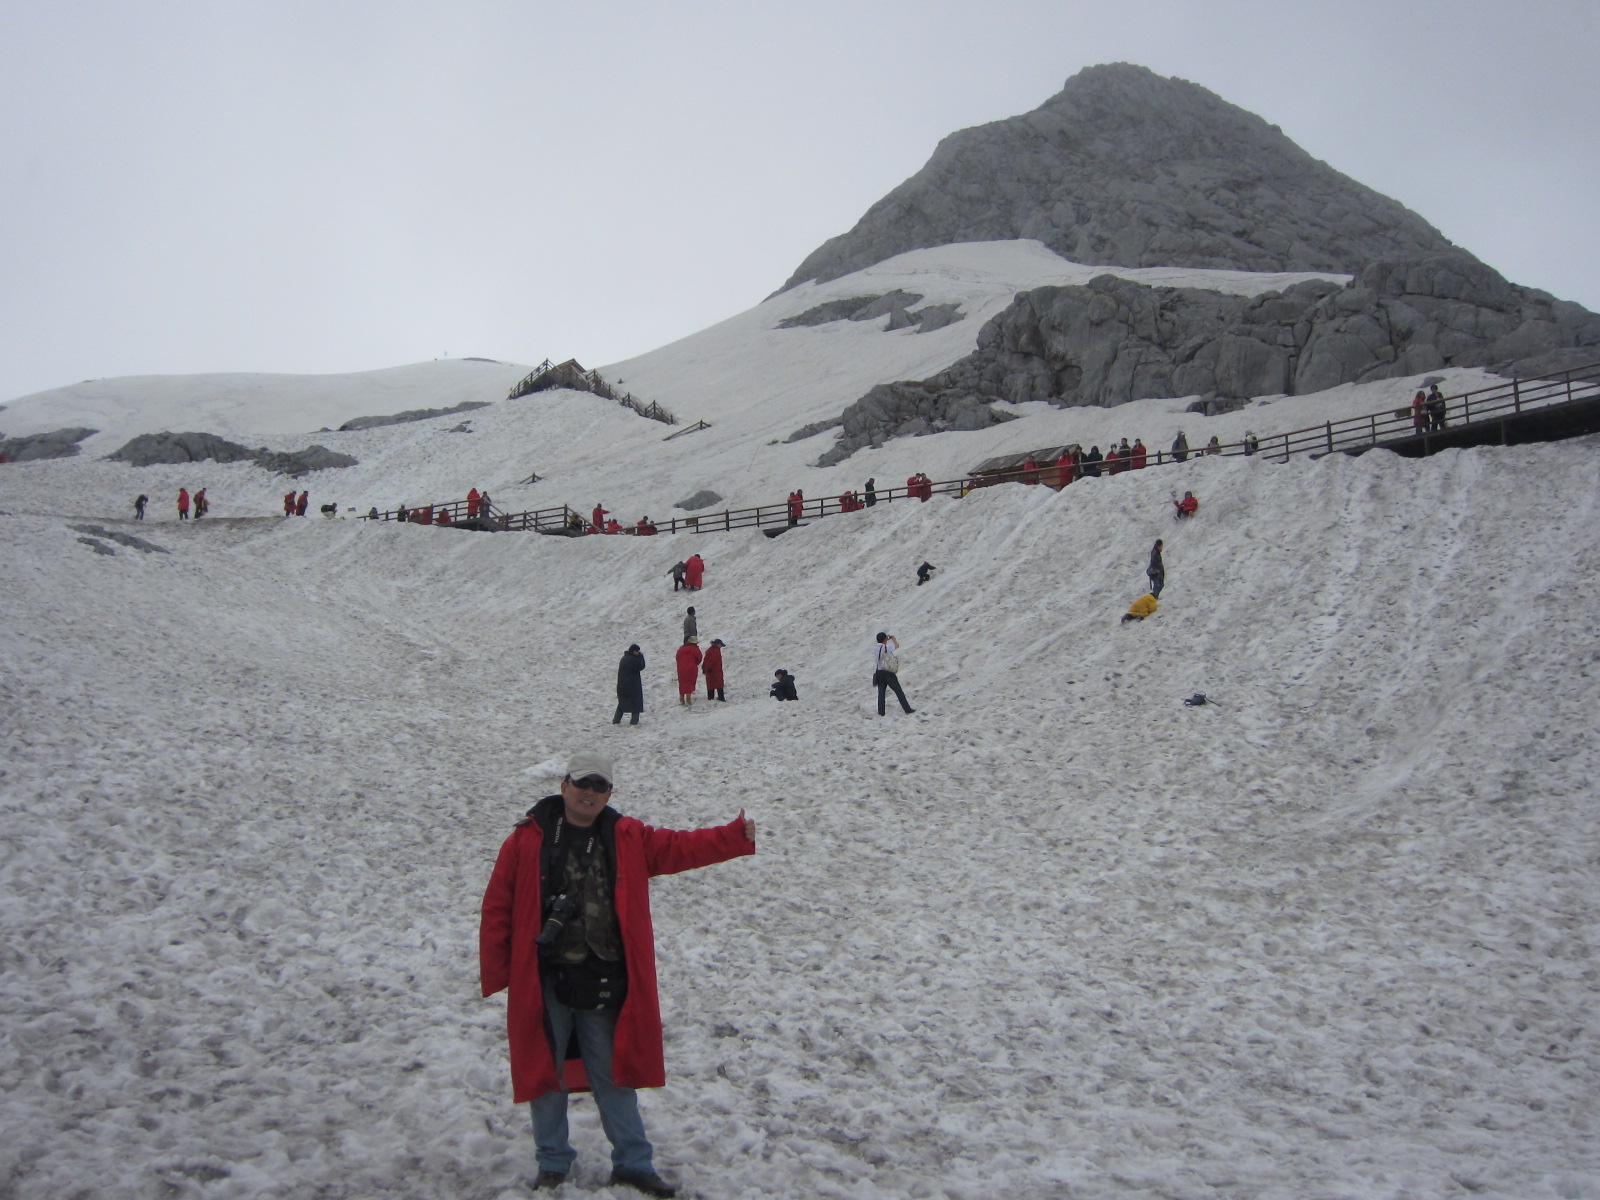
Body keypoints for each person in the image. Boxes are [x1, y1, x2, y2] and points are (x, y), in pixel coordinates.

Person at [479, 750, 755, 1197]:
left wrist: (732, 836)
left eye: (599, 786)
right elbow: (498, 905)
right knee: (545, 1074)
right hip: (546, 978)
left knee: (613, 1075)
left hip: (606, 977)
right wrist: (499, 968)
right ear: (564, 785)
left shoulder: (628, 836)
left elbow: (679, 848)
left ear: (609, 793)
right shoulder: (526, 839)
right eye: (582, 783)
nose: (589, 792)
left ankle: (632, 1162)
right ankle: (552, 1162)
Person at [873, 632, 914, 716]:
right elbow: (896, 645)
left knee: (881, 694)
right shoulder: (885, 647)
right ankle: (907, 709)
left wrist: (885, 639)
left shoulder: (875, 648)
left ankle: (881, 713)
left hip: (879, 672)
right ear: (885, 639)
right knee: (898, 691)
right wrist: (893, 639)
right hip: (887, 672)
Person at [614, 645, 645, 725]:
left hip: (622, 686)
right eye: (637, 651)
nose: (638, 653)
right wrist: (641, 657)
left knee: (622, 703)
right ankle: (634, 722)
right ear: (633, 651)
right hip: (633, 686)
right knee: (636, 704)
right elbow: (641, 666)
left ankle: (616, 720)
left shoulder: (624, 658)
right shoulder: (632, 660)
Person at [675, 638, 702, 706]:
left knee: (682, 683)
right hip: (691, 668)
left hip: (681, 669)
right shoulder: (694, 648)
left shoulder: (680, 649)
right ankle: (688, 699)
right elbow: (699, 658)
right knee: (689, 684)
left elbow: (677, 658)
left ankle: (681, 699)